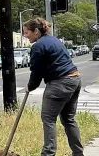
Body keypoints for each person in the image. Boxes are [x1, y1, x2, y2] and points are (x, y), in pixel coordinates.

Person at [23, 18, 84, 156]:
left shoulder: (38, 47)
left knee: (48, 118)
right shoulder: (54, 40)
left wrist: (30, 87)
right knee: (68, 119)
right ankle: (78, 153)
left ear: (36, 31)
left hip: (60, 83)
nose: (25, 36)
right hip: (75, 79)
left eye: (27, 32)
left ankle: (48, 153)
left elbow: (36, 73)